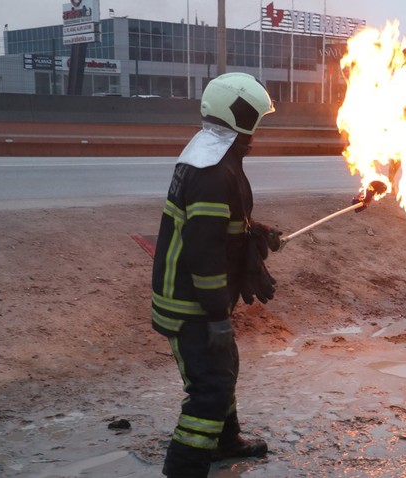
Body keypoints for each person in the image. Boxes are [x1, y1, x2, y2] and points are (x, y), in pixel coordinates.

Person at [151, 72, 281, 478]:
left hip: (196, 297)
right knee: (208, 391)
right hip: (190, 301)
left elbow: (217, 225)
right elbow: (204, 251)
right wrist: (217, 316)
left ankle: (226, 441)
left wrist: (254, 233)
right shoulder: (212, 171)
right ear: (240, 116)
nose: (258, 131)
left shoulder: (214, 155)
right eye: (256, 119)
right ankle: (184, 468)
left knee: (223, 368)